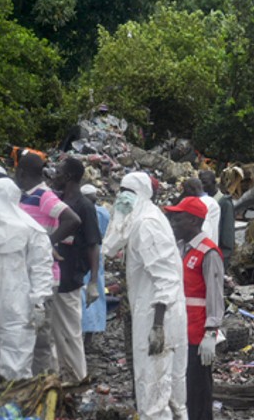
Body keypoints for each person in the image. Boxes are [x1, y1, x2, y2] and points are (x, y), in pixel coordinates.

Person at [102, 172, 188, 420]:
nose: (122, 199)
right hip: (158, 312)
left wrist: (158, 326)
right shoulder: (144, 218)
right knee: (169, 390)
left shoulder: (146, 224)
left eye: (128, 193)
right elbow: (112, 245)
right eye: (121, 192)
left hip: (157, 315)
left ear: (140, 195)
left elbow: (166, 279)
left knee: (153, 389)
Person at [15, 151, 81, 375]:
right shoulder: (25, 197)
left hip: (45, 278)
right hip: (28, 276)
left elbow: (73, 219)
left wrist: (45, 243)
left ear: (21, 173)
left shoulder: (44, 195)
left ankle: (44, 387)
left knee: (42, 340)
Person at [165, 196, 224, 420]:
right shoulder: (181, 248)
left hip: (197, 332)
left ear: (193, 221)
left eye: (178, 219)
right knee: (184, 384)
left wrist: (211, 332)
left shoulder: (208, 252)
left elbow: (215, 295)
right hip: (181, 328)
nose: (174, 224)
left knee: (198, 387)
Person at [46, 157, 101, 384]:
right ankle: (60, 381)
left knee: (70, 334)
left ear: (68, 176)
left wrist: (93, 281)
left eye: (58, 171)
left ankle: (79, 382)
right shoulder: (58, 201)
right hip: (53, 277)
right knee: (52, 335)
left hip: (70, 277)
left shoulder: (84, 206)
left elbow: (93, 245)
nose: (54, 175)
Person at [0, 177, 55, 380]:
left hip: (18, 304)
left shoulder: (32, 230)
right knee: (16, 359)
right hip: (18, 305)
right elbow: (41, 268)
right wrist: (39, 300)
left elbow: (40, 268)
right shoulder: (33, 229)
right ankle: (12, 397)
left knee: (16, 358)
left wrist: (39, 301)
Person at [80, 184, 110, 343]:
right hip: (94, 255)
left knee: (87, 292)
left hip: (87, 254)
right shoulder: (102, 213)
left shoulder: (83, 211)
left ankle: (86, 335)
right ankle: (88, 336)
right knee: (92, 290)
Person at [200, 170, 235, 266]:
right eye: (201, 183)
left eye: (205, 183)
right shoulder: (204, 201)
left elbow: (227, 233)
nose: (202, 186)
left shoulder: (224, 204)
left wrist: (223, 258)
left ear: (214, 183)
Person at [181, 178, 220, 245]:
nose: (185, 194)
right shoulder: (209, 201)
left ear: (192, 189)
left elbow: (204, 228)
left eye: (186, 191)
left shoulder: (205, 203)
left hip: (204, 244)